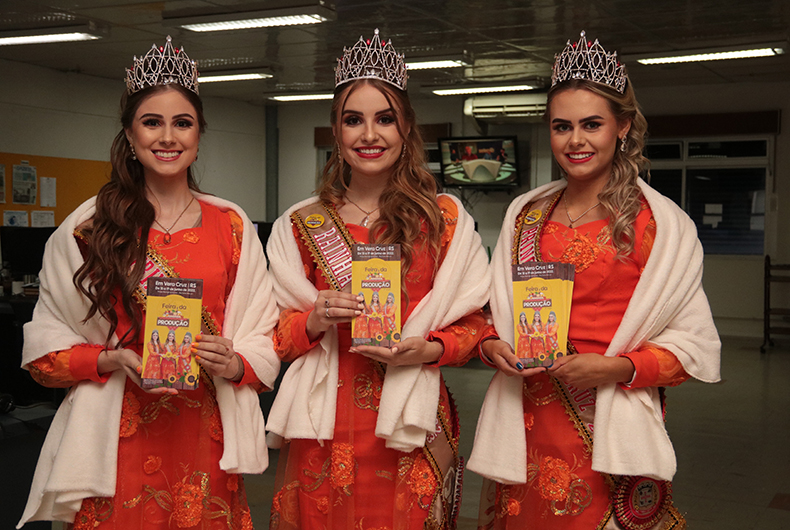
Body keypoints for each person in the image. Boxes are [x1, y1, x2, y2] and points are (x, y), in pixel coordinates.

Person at [18, 36, 280, 529]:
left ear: (199, 133)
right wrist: (110, 358)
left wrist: (234, 360)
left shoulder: (233, 227)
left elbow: (264, 341)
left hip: (205, 431)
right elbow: (44, 355)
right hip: (115, 436)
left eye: (183, 123)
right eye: (152, 122)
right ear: (130, 133)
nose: (168, 137)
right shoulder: (88, 229)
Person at [468, 31, 721, 529]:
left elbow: (693, 348)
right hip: (526, 420)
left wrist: (616, 368)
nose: (575, 140)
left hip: (607, 426)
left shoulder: (659, 226)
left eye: (592, 124)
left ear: (622, 126)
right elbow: (491, 315)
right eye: (561, 126)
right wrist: (492, 345)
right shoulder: (525, 214)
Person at [266, 28, 491, 530]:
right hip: (324, 425)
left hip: (412, 422)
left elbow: (479, 323)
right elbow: (275, 337)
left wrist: (430, 348)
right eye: (354, 120)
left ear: (406, 126)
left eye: (385, 119)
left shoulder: (444, 220)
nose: (369, 134)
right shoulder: (300, 225)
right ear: (336, 130)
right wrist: (315, 319)